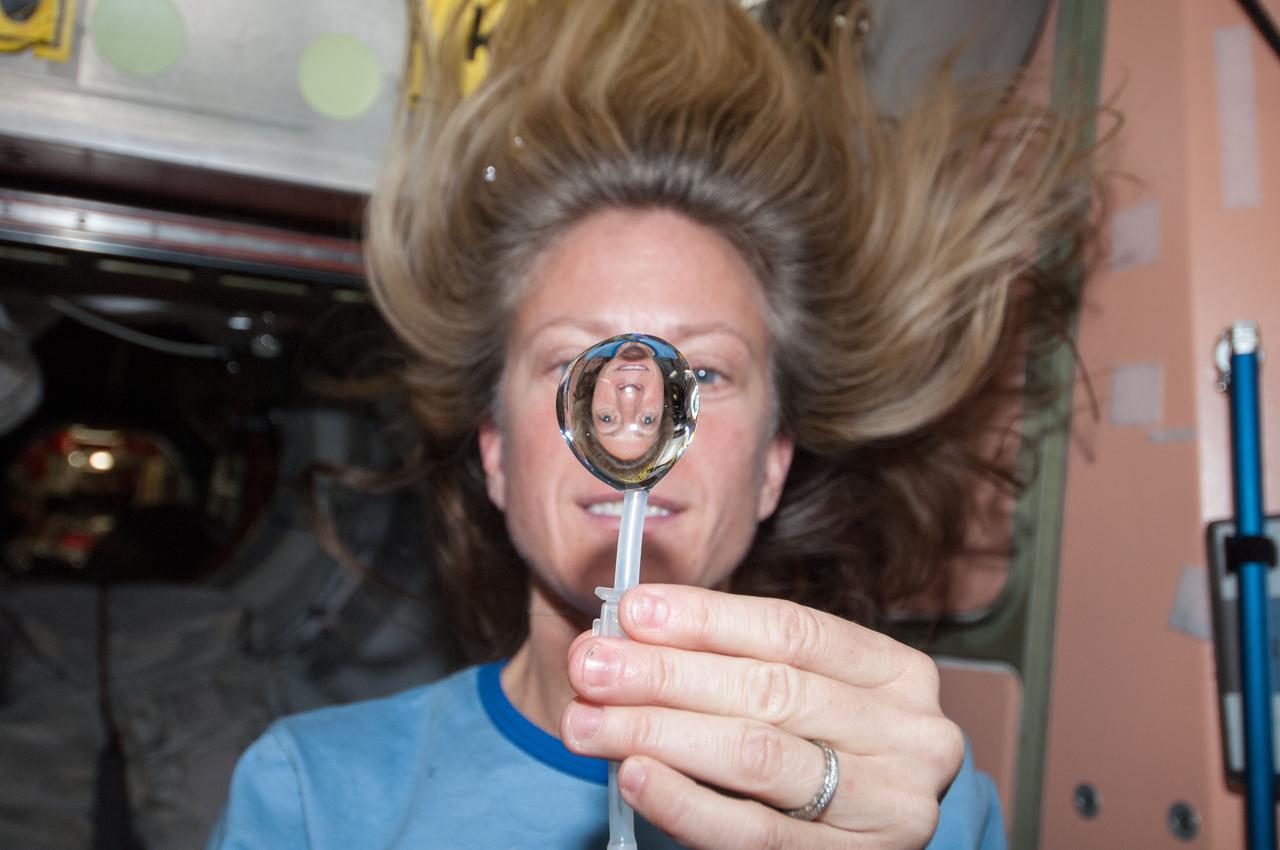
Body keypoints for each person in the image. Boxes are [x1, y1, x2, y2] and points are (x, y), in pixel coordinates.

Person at [208, 1, 1094, 847]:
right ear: (497, 455)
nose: (632, 412)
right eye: (570, 365)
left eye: (703, 371)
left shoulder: (905, 803)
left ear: (773, 466)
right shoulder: (309, 798)